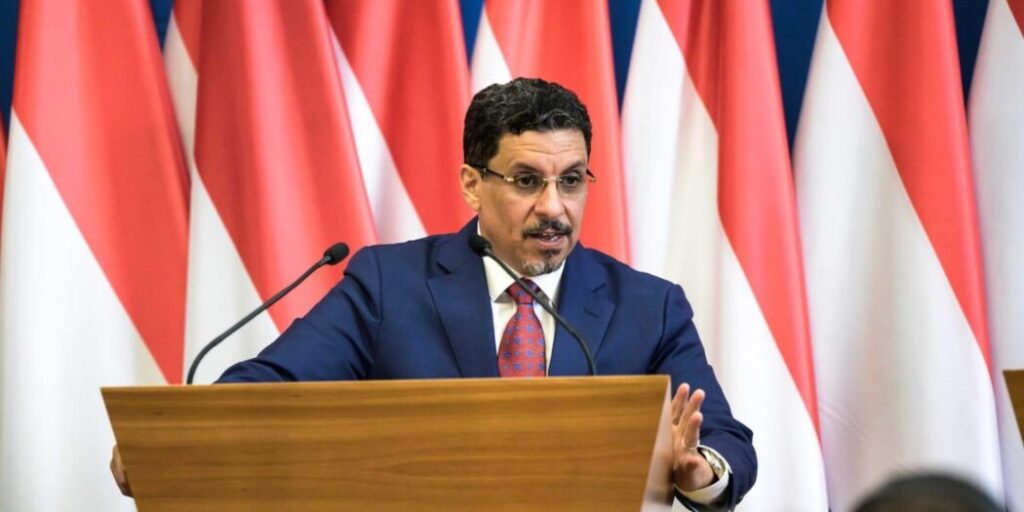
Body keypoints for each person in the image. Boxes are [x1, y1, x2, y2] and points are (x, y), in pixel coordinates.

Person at [112, 77, 756, 509]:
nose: (554, 207)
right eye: (526, 180)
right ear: (473, 184)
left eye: (571, 180)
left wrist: (700, 469)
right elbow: (270, 383)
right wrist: (178, 445)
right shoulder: (388, 286)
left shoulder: (648, 306)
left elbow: (726, 440)